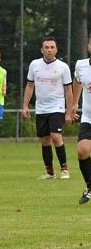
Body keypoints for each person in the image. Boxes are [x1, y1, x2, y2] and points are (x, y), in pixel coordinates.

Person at [22, 36, 75, 180]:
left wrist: (69, 112)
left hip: (57, 107)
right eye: (46, 47)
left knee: (56, 136)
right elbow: (30, 85)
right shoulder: (34, 65)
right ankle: (50, 172)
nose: (49, 50)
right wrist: (25, 105)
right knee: (45, 140)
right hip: (41, 108)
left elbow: (68, 91)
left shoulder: (63, 67)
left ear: (56, 50)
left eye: (52, 47)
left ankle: (64, 169)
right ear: (42, 49)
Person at [72, 35, 91, 204]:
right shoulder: (81, 65)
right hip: (88, 117)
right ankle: (90, 186)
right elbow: (77, 81)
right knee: (82, 150)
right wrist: (74, 103)